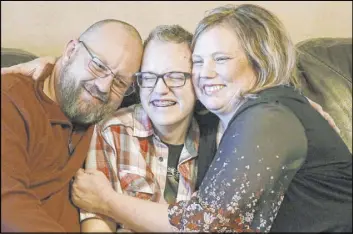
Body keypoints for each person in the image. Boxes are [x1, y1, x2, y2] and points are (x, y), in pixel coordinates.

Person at [69, 4, 352, 233]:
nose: (206, 73)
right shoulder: (230, 116)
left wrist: (107, 201)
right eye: (199, 62)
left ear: (260, 60)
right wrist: (51, 67)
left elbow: (203, 224)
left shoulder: (268, 116)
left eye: (221, 59)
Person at [1, 19, 143, 232]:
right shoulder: (11, 100)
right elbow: (8, 203)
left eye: (120, 82)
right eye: (97, 65)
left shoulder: (107, 123)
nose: (104, 87)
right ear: (70, 51)